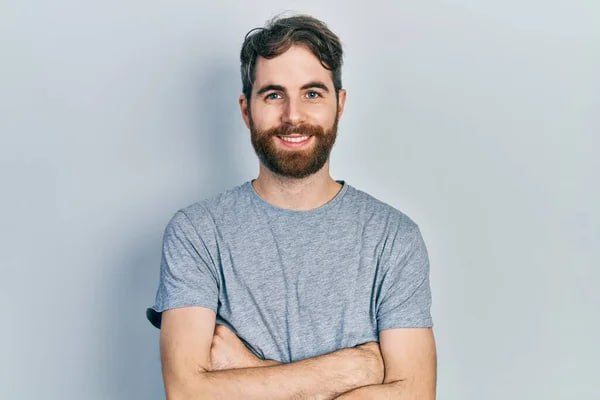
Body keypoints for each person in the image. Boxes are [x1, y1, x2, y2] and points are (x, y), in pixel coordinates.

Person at [147, 13, 437, 399]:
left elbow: (415, 395)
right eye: (274, 95)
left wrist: (247, 369)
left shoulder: (393, 238)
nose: (293, 116)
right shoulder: (197, 233)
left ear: (340, 105)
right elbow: (187, 393)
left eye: (312, 94)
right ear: (246, 109)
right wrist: (354, 369)